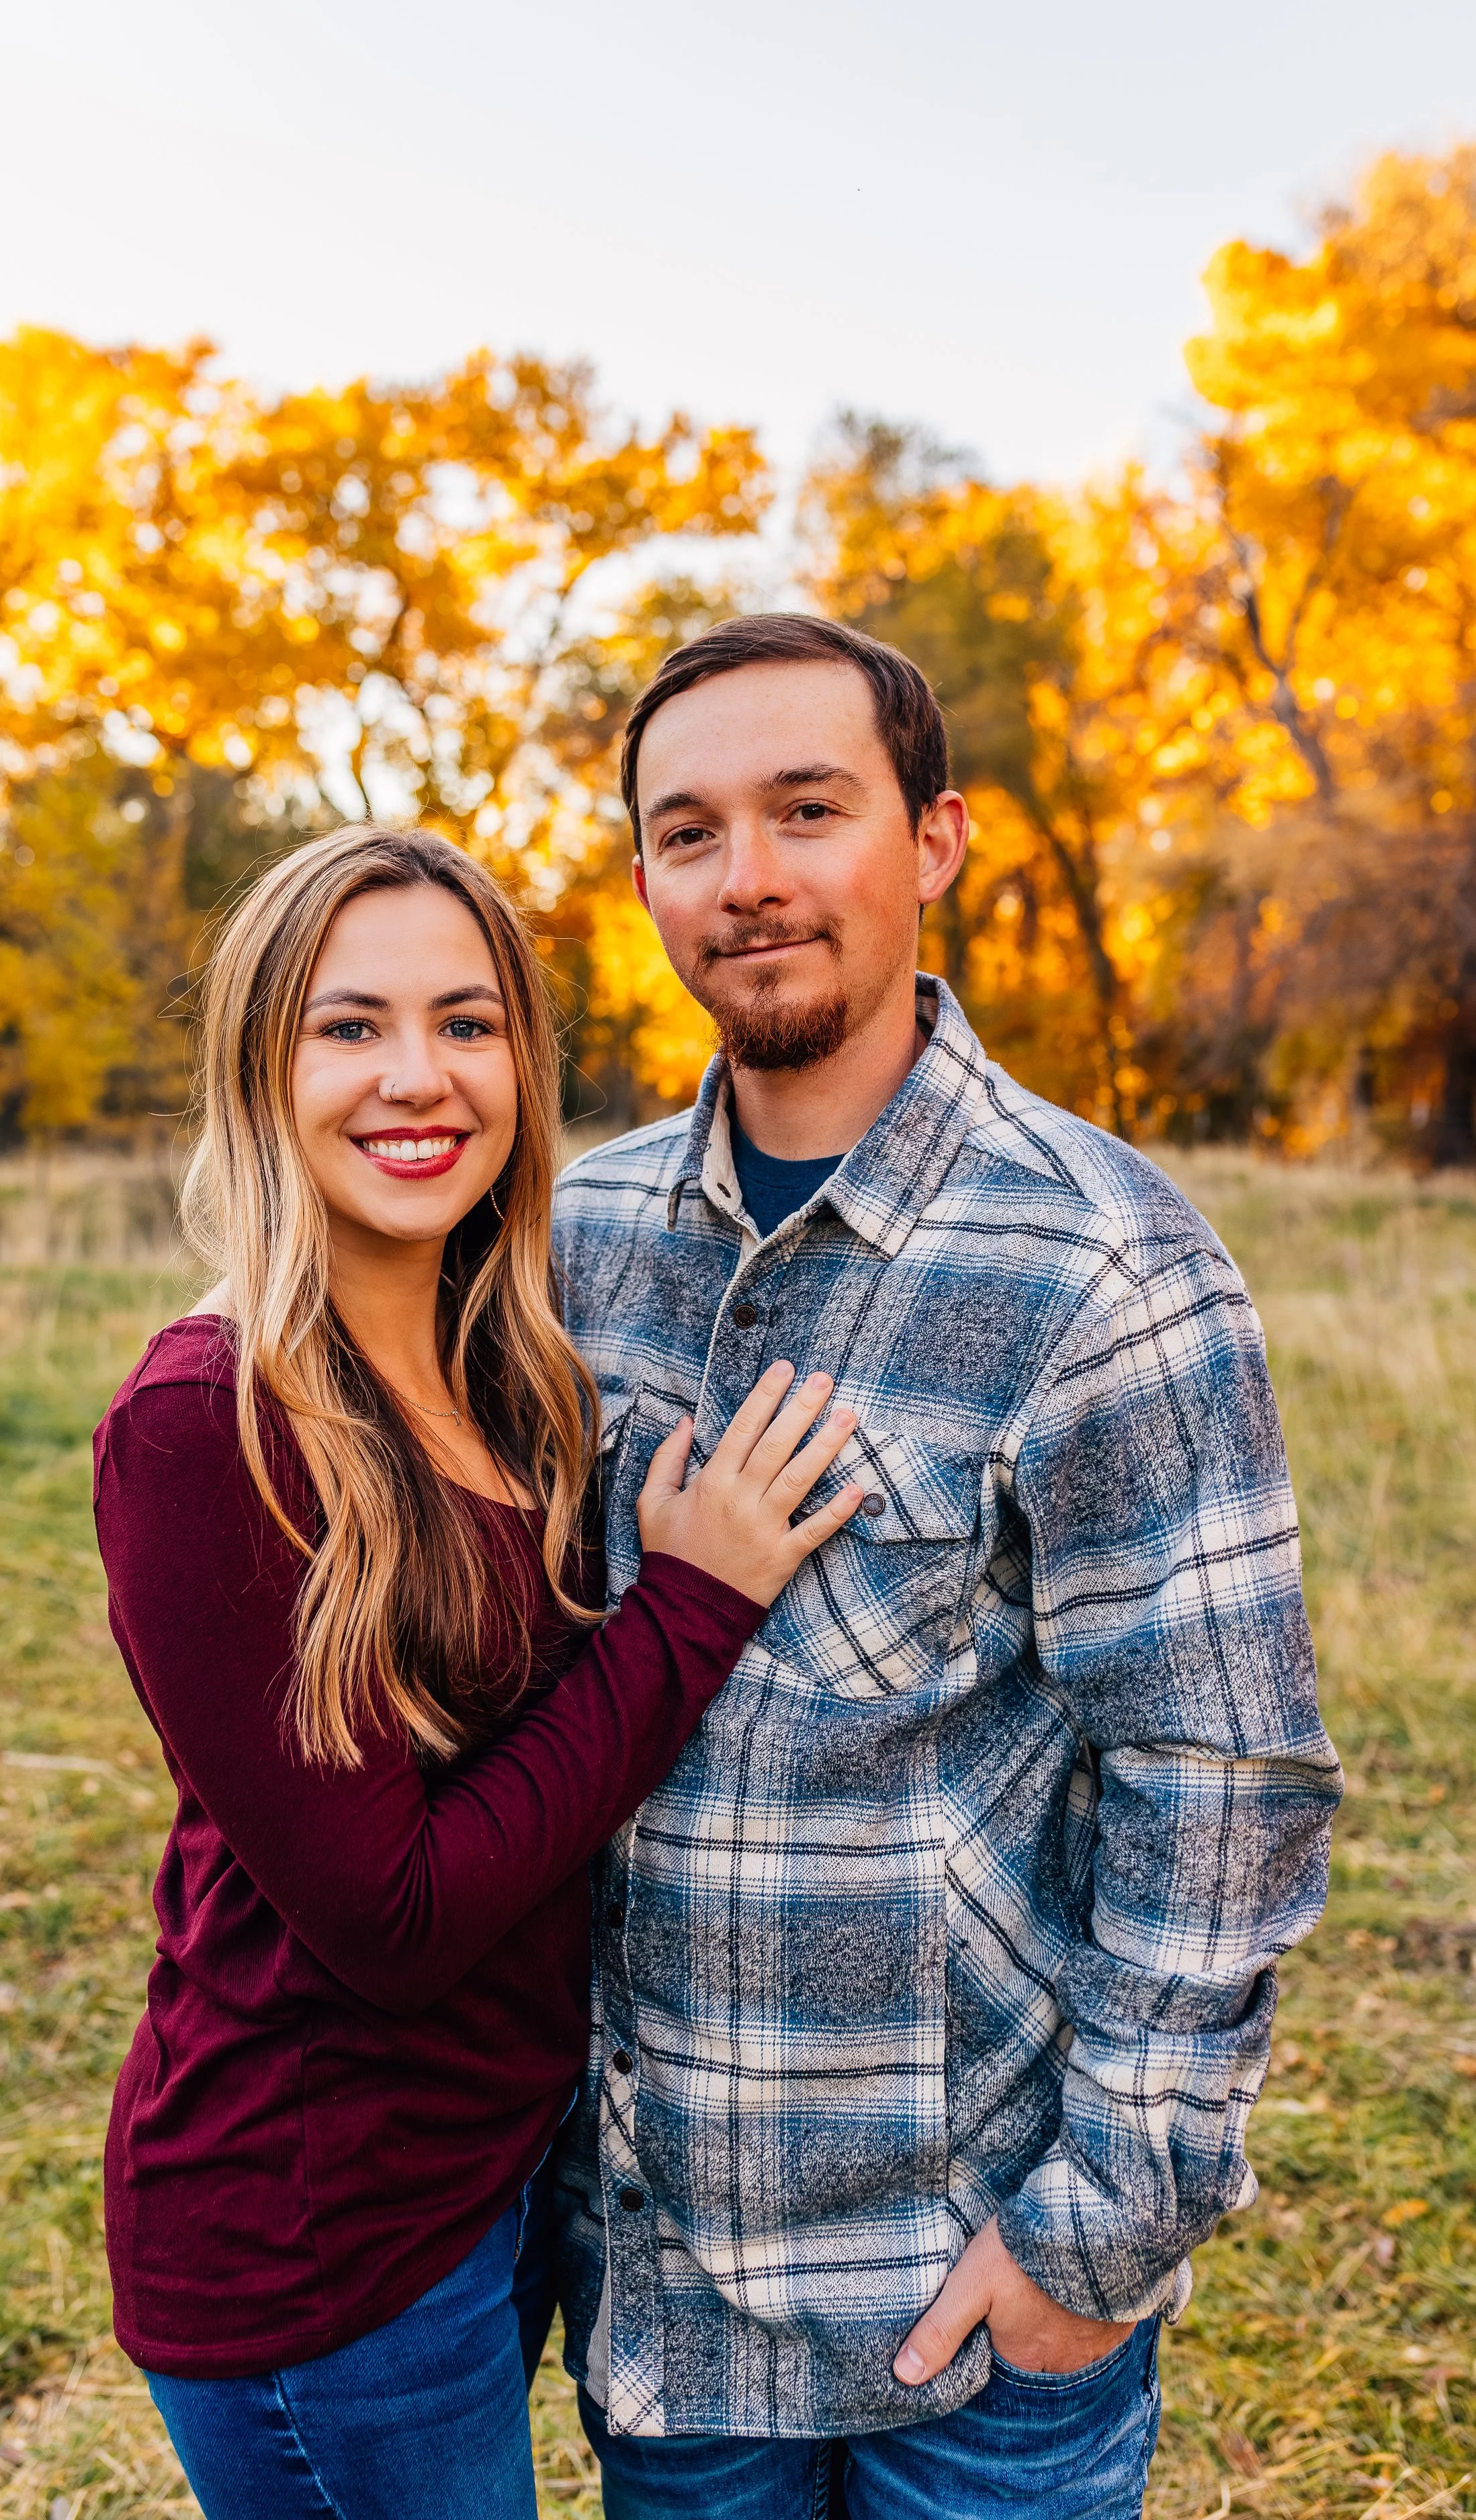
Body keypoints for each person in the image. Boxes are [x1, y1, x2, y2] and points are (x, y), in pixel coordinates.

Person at [551, 616, 1344, 2517]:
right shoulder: (572, 1243)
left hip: (971, 2303)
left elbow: (1217, 1782)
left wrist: (1099, 2229)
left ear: (934, 842)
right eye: (686, 830)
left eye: (806, 809)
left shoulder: (1101, 1266)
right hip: (666, 2293)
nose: (745, 876)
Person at [91, 825, 871, 2520]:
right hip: (318, 2245)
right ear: (258, 1065)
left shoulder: (501, 1357)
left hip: (496, 2180)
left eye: (465, 1022)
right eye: (347, 1026)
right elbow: (396, 1917)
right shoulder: (204, 1426)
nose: (414, 1077)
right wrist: (690, 1607)